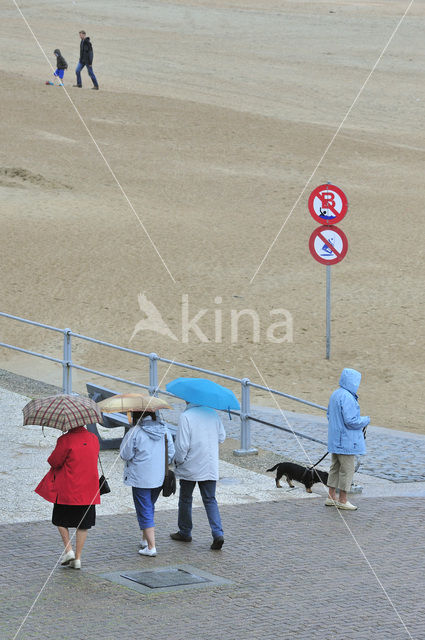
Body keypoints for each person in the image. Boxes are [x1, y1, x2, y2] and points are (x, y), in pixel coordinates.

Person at [35, 425, 100, 569]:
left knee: (60, 520)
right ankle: (77, 559)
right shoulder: (94, 438)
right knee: (83, 525)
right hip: (89, 490)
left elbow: (54, 461)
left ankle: (68, 550)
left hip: (68, 490)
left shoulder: (65, 440)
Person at [170, 403, 226, 550]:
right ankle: (217, 533)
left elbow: (182, 445)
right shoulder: (213, 413)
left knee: (185, 499)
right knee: (210, 500)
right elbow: (222, 437)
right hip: (209, 465)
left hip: (190, 465)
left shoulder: (186, 416)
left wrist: (178, 460)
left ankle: (185, 531)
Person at [120, 410, 175, 557]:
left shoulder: (135, 431)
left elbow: (125, 454)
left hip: (140, 477)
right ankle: (145, 539)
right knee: (149, 506)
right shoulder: (164, 429)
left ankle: (151, 546)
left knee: (144, 509)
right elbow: (171, 452)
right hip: (159, 477)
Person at [326, 368, 370, 511]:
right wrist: (366, 420)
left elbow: (328, 415)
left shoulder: (335, 394)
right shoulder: (348, 397)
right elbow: (352, 421)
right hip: (346, 441)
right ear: (353, 382)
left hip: (335, 439)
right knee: (347, 469)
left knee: (335, 467)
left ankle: (331, 496)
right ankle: (343, 500)